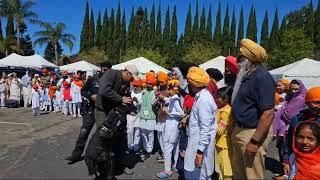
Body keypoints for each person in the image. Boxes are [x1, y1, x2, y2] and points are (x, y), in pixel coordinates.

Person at [231, 39, 275, 179]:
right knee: (239, 173)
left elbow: (268, 113)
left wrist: (255, 141)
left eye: (240, 57)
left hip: (252, 133)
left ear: (248, 59)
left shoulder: (262, 77)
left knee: (252, 175)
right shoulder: (245, 76)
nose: (237, 60)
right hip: (240, 130)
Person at [85, 64, 138, 179]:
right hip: (102, 111)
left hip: (115, 113)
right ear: (127, 73)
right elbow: (103, 90)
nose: (133, 80)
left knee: (119, 140)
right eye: (132, 77)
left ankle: (118, 167)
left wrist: (132, 107)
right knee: (104, 140)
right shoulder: (111, 73)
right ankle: (103, 170)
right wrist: (120, 99)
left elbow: (126, 96)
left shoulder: (127, 82)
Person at [65, 62, 112, 164]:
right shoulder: (92, 79)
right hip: (91, 109)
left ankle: (102, 156)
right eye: (104, 69)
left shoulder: (111, 81)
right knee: (84, 132)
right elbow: (83, 91)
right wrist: (91, 96)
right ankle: (76, 155)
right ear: (100, 69)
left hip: (104, 111)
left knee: (102, 135)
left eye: (108, 70)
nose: (106, 72)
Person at [184, 67, 217, 180]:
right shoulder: (201, 97)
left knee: (199, 175)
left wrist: (199, 152)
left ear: (193, 85)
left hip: (200, 147)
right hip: (196, 144)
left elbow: (205, 128)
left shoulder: (204, 100)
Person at [282, 87, 320, 177]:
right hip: (297, 161)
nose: (319, 106)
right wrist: (286, 160)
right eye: (316, 102)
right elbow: (289, 140)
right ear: (307, 102)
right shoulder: (297, 119)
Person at [273, 80, 307, 163]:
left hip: (291, 128)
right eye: (291, 89)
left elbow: (289, 115)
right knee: (282, 148)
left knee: (288, 150)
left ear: (301, 88)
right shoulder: (290, 97)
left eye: (296, 89)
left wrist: (282, 109)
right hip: (284, 127)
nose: (293, 91)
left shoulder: (300, 99)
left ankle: (286, 172)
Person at [157, 80, 184, 178]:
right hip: (173, 127)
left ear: (173, 89)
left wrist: (169, 113)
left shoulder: (176, 100)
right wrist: (162, 97)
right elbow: (169, 100)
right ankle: (176, 165)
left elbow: (181, 113)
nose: (168, 90)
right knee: (175, 147)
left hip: (172, 127)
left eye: (169, 89)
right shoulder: (174, 98)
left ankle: (167, 170)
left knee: (168, 148)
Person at [215, 87, 233, 180]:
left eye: (219, 97)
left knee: (226, 171)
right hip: (221, 145)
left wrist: (211, 123)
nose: (216, 99)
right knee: (222, 171)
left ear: (226, 99)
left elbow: (220, 131)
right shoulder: (224, 109)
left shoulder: (225, 112)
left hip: (224, 146)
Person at [176, 95, 194, 180]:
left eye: (184, 107)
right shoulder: (186, 115)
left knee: (184, 160)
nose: (183, 108)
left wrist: (185, 124)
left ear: (189, 108)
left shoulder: (191, 118)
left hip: (186, 142)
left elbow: (190, 132)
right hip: (183, 141)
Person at [140, 72, 157, 160]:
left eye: (151, 83)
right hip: (142, 115)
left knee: (150, 134)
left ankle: (149, 151)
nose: (149, 84)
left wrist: (157, 99)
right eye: (148, 83)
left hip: (151, 116)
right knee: (143, 133)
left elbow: (153, 104)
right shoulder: (143, 91)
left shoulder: (155, 92)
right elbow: (139, 102)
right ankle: (145, 148)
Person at [127, 79, 143, 153]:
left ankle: (136, 146)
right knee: (130, 131)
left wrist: (137, 102)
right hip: (130, 115)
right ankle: (130, 146)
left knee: (137, 131)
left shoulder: (143, 94)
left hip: (138, 114)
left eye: (137, 85)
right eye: (134, 85)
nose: (135, 87)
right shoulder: (130, 93)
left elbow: (143, 105)